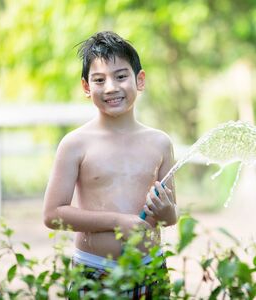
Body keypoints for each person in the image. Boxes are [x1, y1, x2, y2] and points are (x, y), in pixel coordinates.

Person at [43, 31, 178, 298]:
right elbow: (52, 215)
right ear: (86, 87)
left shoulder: (160, 143)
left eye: (120, 76)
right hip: (94, 271)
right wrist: (118, 222)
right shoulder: (76, 144)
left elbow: (171, 217)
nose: (111, 88)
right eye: (99, 80)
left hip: (149, 270)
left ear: (139, 80)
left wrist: (165, 209)